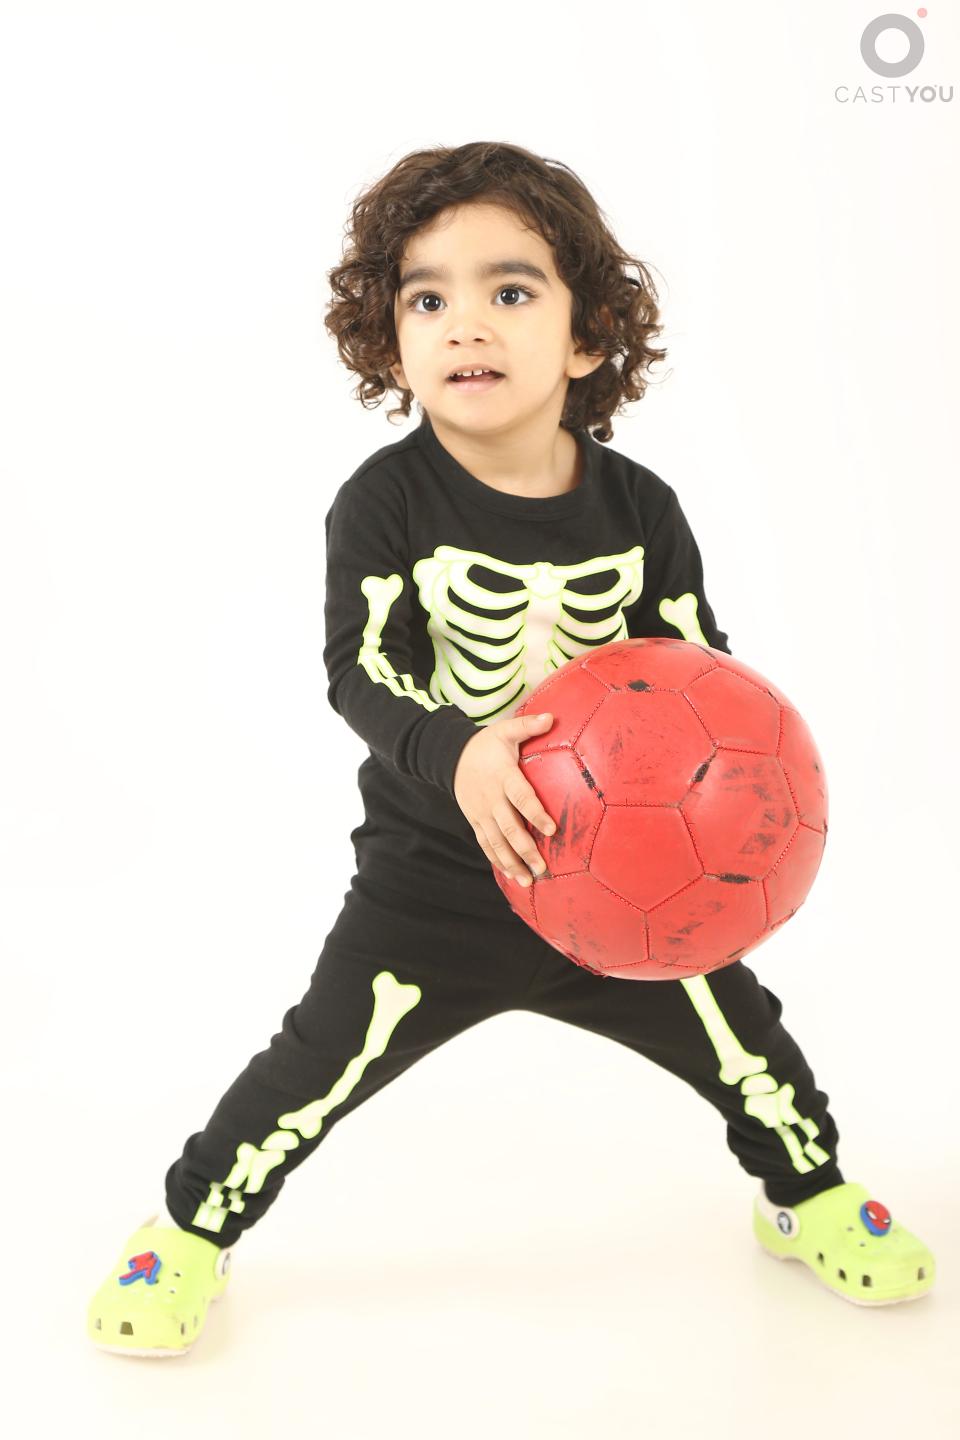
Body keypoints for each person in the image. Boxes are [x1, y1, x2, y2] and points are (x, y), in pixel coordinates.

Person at [87, 141, 935, 1357]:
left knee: (755, 1053)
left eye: (511, 289)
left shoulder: (640, 508)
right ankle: (188, 1231)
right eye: (427, 298)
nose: (466, 323)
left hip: (635, 888)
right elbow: (359, 669)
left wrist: (752, 818)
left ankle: (805, 1197)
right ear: (391, 344)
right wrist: (463, 751)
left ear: (588, 338)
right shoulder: (386, 502)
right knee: (310, 1070)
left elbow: (704, 672)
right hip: (436, 884)